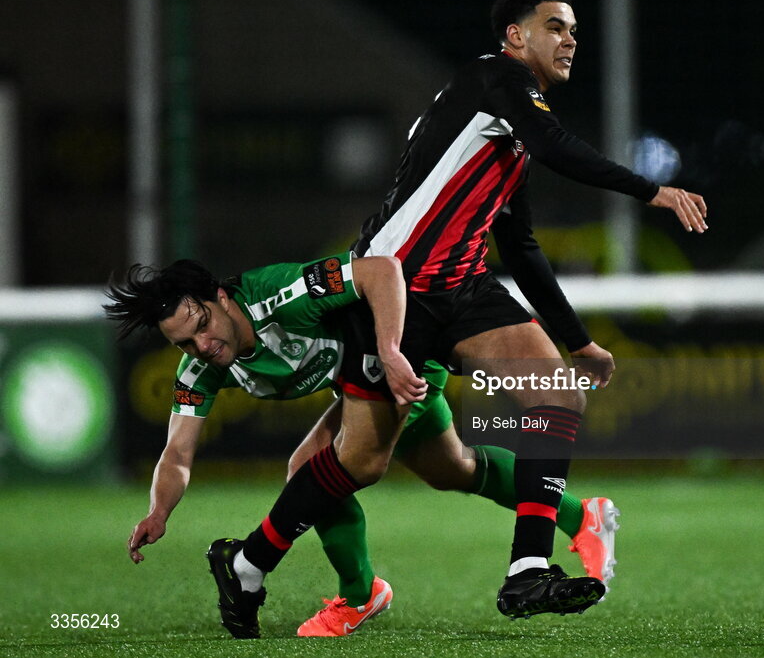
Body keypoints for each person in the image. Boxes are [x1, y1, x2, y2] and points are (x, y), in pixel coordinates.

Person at [350, 0, 707, 618]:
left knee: (555, 392)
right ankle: (249, 562)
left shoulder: (510, 124)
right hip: (392, 287)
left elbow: (519, 246)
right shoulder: (496, 82)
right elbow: (555, 146)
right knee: (361, 461)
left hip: (459, 289)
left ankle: (528, 572)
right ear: (516, 36)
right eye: (556, 27)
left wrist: (579, 342)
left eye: (574, 29)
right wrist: (652, 191)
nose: (570, 40)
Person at [106, 244, 619, 638]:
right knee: (453, 469)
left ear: (219, 297)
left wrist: (393, 350)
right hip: (364, 384)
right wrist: (158, 512)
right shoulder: (201, 366)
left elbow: (378, 269)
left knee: (312, 467)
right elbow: (177, 452)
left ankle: (359, 595)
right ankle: (581, 517)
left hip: (399, 358)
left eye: (202, 326)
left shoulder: (280, 292)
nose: (203, 345)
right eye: (185, 343)